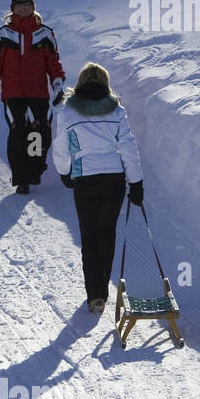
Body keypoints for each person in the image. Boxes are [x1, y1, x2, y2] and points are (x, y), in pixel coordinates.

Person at [52, 62, 144, 314]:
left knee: (89, 236)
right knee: (107, 233)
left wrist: (64, 172)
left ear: (80, 83)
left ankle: (95, 295)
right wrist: (136, 182)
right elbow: (128, 147)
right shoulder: (116, 111)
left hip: (85, 179)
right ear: (106, 84)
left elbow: (60, 147)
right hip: (114, 179)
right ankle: (102, 286)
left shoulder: (68, 112)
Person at [0, 0, 66, 194]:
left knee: (40, 132)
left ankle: (34, 168)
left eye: (28, 4)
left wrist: (57, 85)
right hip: (13, 94)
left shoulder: (45, 33)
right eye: (19, 5)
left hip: (38, 93)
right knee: (19, 131)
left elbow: (53, 62)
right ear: (12, 8)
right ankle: (22, 178)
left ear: (33, 7)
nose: (24, 8)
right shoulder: (3, 34)